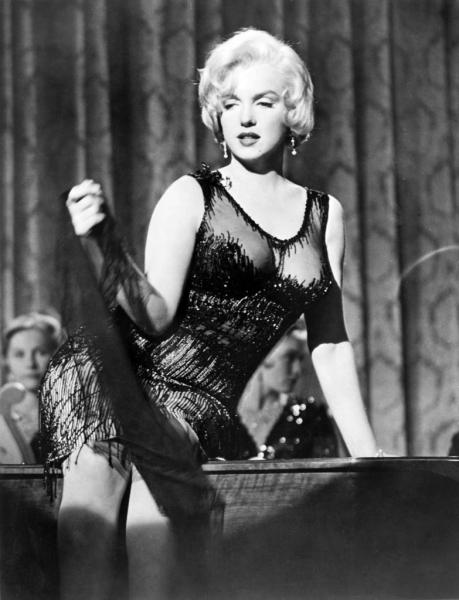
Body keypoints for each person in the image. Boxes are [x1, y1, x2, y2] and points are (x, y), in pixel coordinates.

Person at [39, 28, 382, 600]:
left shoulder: (326, 216)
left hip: (197, 402)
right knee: (89, 549)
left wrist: (371, 459)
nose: (244, 117)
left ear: (293, 113)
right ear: (217, 118)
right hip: (117, 373)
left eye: (263, 102)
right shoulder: (191, 195)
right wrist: (103, 240)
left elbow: (329, 343)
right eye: (230, 103)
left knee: (154, 557)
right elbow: (153, 316)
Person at [238, 324, 339, 459]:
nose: (297, 370)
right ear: (263, 355)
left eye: (300, 359)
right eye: (289, 357)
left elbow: (328, 469)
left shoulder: (310, 417)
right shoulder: (226, 416)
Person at [0, 311, 62, 463]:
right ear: (6, 360)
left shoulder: (73, 412)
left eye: (40, 352)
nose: (30, 363)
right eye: (19, 354)